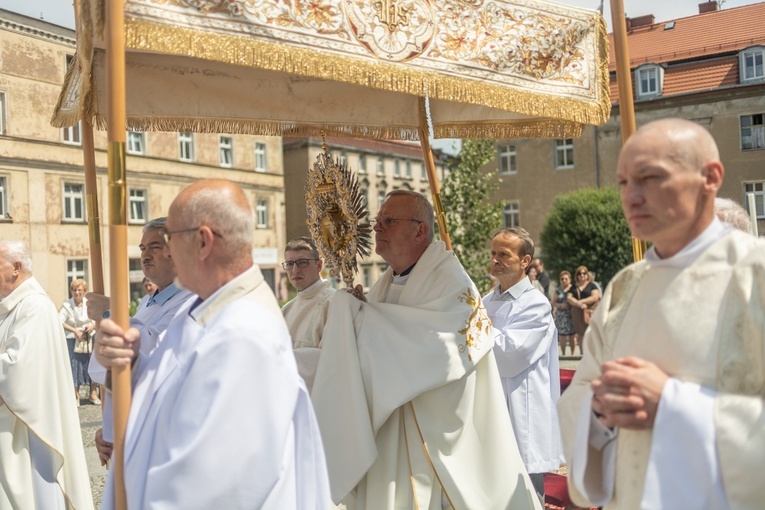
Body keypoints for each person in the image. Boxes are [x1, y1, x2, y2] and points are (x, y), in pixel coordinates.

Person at [557, 118, 765, 510]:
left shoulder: (754, 273)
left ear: (710, 177)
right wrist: (598, 413)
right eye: (623, 183)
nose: (631, 197)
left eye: (650, 178)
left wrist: (671, 405)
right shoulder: (625, 287)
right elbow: (582, 391)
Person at [95, 179, 331, 509]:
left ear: (203, 242)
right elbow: (167, 395)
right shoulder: (205, 307)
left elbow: (205, 488)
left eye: (169, 239)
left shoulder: (242, 337)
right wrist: (126, 367)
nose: (167, 251)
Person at [311, 190, 541, 509]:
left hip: (435, 441)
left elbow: (434, 349)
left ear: (420, 229)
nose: (376, 228)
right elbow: (381, 344)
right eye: (377, 221)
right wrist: (354, 315)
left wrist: (361, 320)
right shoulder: (388, 282)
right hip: (393, 439)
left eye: (389, 221)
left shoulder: (451, 282)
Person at [87, 217, 193, 465]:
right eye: (142, 248)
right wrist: (111, 428)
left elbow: (153, 355)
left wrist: (111, 313)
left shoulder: (193, 301)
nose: (145, 254)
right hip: (137, 431)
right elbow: (112, 369)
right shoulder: (148, 302)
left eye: (154, 247)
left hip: (167, 436)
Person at [0, 240, 94, 509]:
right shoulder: (14, 306)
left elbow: (17, 371)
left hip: (30, 433)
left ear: (16, 268)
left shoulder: (34, 307)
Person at [484, 227, 564, 504]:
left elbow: (510, 355)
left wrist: (475, 327)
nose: (495, 259)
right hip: (490, 406)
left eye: (504, 254)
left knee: (525, 496)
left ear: (525, 261)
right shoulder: (483, 302)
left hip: (522, 409)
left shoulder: (536, 305)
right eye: (493, 253)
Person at [281, 236, 335, 391]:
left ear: (319, 265)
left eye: (302, 262)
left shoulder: (334, 302)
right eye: (289, 264)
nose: (295, 270)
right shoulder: (286, 310)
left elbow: (332, 359)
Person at [59, 278, 99, 406]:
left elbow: (97, 317)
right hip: (73, 339)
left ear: (84, 291)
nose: (77, 293)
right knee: (74, 366)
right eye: (74, 290)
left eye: (80, 290)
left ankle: (93, 393)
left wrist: (92, 325)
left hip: (89, 338)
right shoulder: (67, 305)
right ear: (71, 291)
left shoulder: (89, 303)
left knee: (91, 364)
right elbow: (59, 321)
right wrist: (75, 331)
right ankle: (75, 395)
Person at [566, 264, 600, 355]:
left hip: (590, 312)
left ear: (587, 275)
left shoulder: (592, 285)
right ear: (577, 276)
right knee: (580, 335)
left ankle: (592, 354)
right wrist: (579, 304)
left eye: (584, 273)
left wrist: (582, 302)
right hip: (578, 313)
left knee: (591, 334)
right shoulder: (574, 287)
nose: (582, 275)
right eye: (580, 274)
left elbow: (595, 297)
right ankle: (582, 354)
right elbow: (569, 298)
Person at [553, 270, 576, 356]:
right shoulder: (558, 290)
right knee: (562, 335)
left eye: (566, 279)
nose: (564, 281)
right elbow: (553, 302)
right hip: (561, 315)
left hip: (572, 314)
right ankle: (563, 354)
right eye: (562, 279)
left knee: (572, 335)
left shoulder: (573, 288)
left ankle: (573, 354)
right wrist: (561, 305)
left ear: (569, 279)